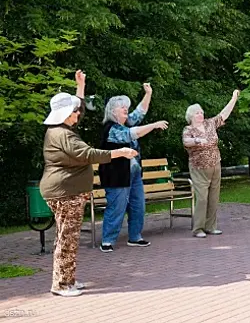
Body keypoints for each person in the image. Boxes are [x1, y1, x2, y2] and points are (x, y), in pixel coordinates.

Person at [40, 70, 138, 297]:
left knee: (66, 237)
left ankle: (67, 279)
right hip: (65, 193)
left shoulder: (62, 128)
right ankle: (62, 285)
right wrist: (120, 152)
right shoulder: (64, 135)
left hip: (65, 191)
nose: (78, 115)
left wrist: (80, 87)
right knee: (67, 238)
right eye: (74, 112)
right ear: (66, 115)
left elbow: (79, 107)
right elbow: (88, 154)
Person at [98, 84, 168, 253]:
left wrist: (149, 93)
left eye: (126, 107)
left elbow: (140, 111)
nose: (125, 109)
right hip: (117, 176)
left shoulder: (127, 122)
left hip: (133, 174)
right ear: (113, 111)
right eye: (122, 107)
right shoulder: (110, 128)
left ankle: (135, 237)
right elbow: (133, 134)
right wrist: (153, 125)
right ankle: (107, 241)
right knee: (117, 207)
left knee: (138, 205)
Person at [182, 90, 240, 238]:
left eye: (201, 112)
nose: (201, 115)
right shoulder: (188, 129)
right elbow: (186, 141)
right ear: (191, 116)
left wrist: (233, 98)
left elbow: (224, 114)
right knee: (202, 198)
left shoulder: (210, 124)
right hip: (199, 167)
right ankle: (198, 228)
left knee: (214, 197)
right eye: (197, 113)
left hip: (215, 164)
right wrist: (197, 140)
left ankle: (210, 226)